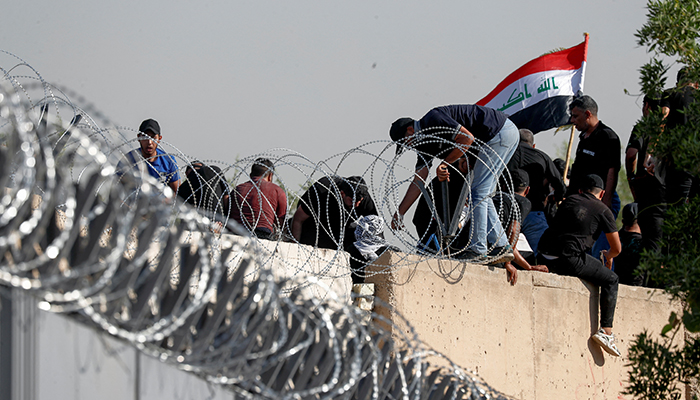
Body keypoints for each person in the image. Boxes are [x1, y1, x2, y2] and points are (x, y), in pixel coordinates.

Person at [389, 104, 519, 262]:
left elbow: (467, 138)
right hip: (503, 134)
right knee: (483, 194)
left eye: (405, 142)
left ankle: (478, 249)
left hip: (498, 133)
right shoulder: (425, 145)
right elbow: (418, 181)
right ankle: (501, 245)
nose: (407, 147)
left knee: (479, 193)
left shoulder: (432, 119)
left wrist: (445, 163)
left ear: (410, 130)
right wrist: (400, 213)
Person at [537, 174, 622, 357]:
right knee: (611, 280)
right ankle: (606, 332)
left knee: (587, 260)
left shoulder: (570, 199)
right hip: (567, 259)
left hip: (543, 254)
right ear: (603, 193)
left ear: (582, 190)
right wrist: (608, 256)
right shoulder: (603, 210)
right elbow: (616, 248)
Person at [506, 128, 566, 256]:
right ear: (533, 145)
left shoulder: (506, 154)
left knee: (502, 252)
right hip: (534, 212)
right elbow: (560, 185)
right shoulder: (542, 157)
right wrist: (556, 197)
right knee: (542, 253)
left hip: (506, 211)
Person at [291, 176, 377, 251]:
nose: (356, 205)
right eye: (352, 201)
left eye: (359, 201)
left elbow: (376, 226)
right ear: (342, 194)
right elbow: (298, 219)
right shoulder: (322, 191)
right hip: (315, 226)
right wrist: (294, 247)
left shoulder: (363, 197)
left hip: (342, 229)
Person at [625, 94, 666, 254]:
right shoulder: (672, 129)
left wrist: (631, 177)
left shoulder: (643, 127)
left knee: (649, 242)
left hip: (646, 191)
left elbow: (630, 154)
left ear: (647, 106)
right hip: (667, 193)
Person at [658, 67, 698, 205]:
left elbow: (662, 119)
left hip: (677, 161)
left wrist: (652, 152)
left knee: (675, 207)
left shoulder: (670, 94)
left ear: (678, 83)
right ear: (696, 83)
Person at [231, 158, 287, 240]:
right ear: (270, 176)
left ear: (251, 175)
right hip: (261, 234)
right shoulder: (277, 190)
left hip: (236, 233)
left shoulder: (237, 189)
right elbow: (281, 221)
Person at [125, 119, 180, 192]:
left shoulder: (168, 161)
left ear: (159, 139)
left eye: (153, 138)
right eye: (145, 137)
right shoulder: (128, 160)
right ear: (138, 138)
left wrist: (166, 201)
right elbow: (117, 189)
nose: (149, 142)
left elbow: (177, 192)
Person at [615, 203, 644, 286]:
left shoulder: (616, 238)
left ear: (623, 221)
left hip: (617, 282)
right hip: (636, 286)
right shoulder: (643, 243)